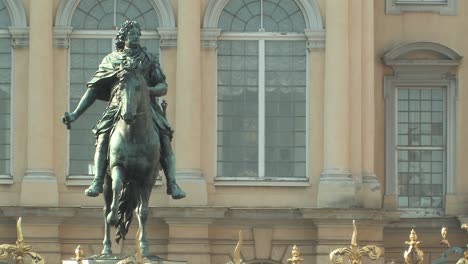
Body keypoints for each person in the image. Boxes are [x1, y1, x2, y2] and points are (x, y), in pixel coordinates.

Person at [62, 20, 185, 199]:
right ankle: (97, 180)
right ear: (123, 37)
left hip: (146, 107)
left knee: (165, 134)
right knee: (103, 133)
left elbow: (162, 86)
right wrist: (75, 113)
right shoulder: (111, 60)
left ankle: (172, 183)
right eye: (131, 34)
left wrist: (147, 91)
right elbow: (94, 90)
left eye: (137, 34)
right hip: (117, 107)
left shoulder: (149, 58)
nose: (135, 36)